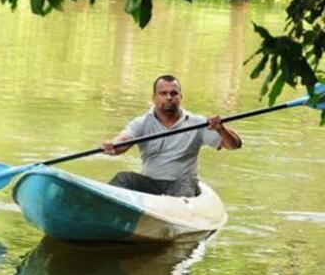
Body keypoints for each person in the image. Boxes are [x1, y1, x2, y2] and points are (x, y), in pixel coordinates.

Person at [101, 75, 242, 197]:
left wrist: (221, 129)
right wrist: (112, 145)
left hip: (182, 183)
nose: (169, 98)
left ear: (180, 96)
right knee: (123, 178)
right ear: (154, 97)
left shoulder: (197, 123)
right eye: (163, 93)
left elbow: (234, 145)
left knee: (186, 185)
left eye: (173, 93)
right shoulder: (142, 123)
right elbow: (123, 142)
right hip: (151, 183)